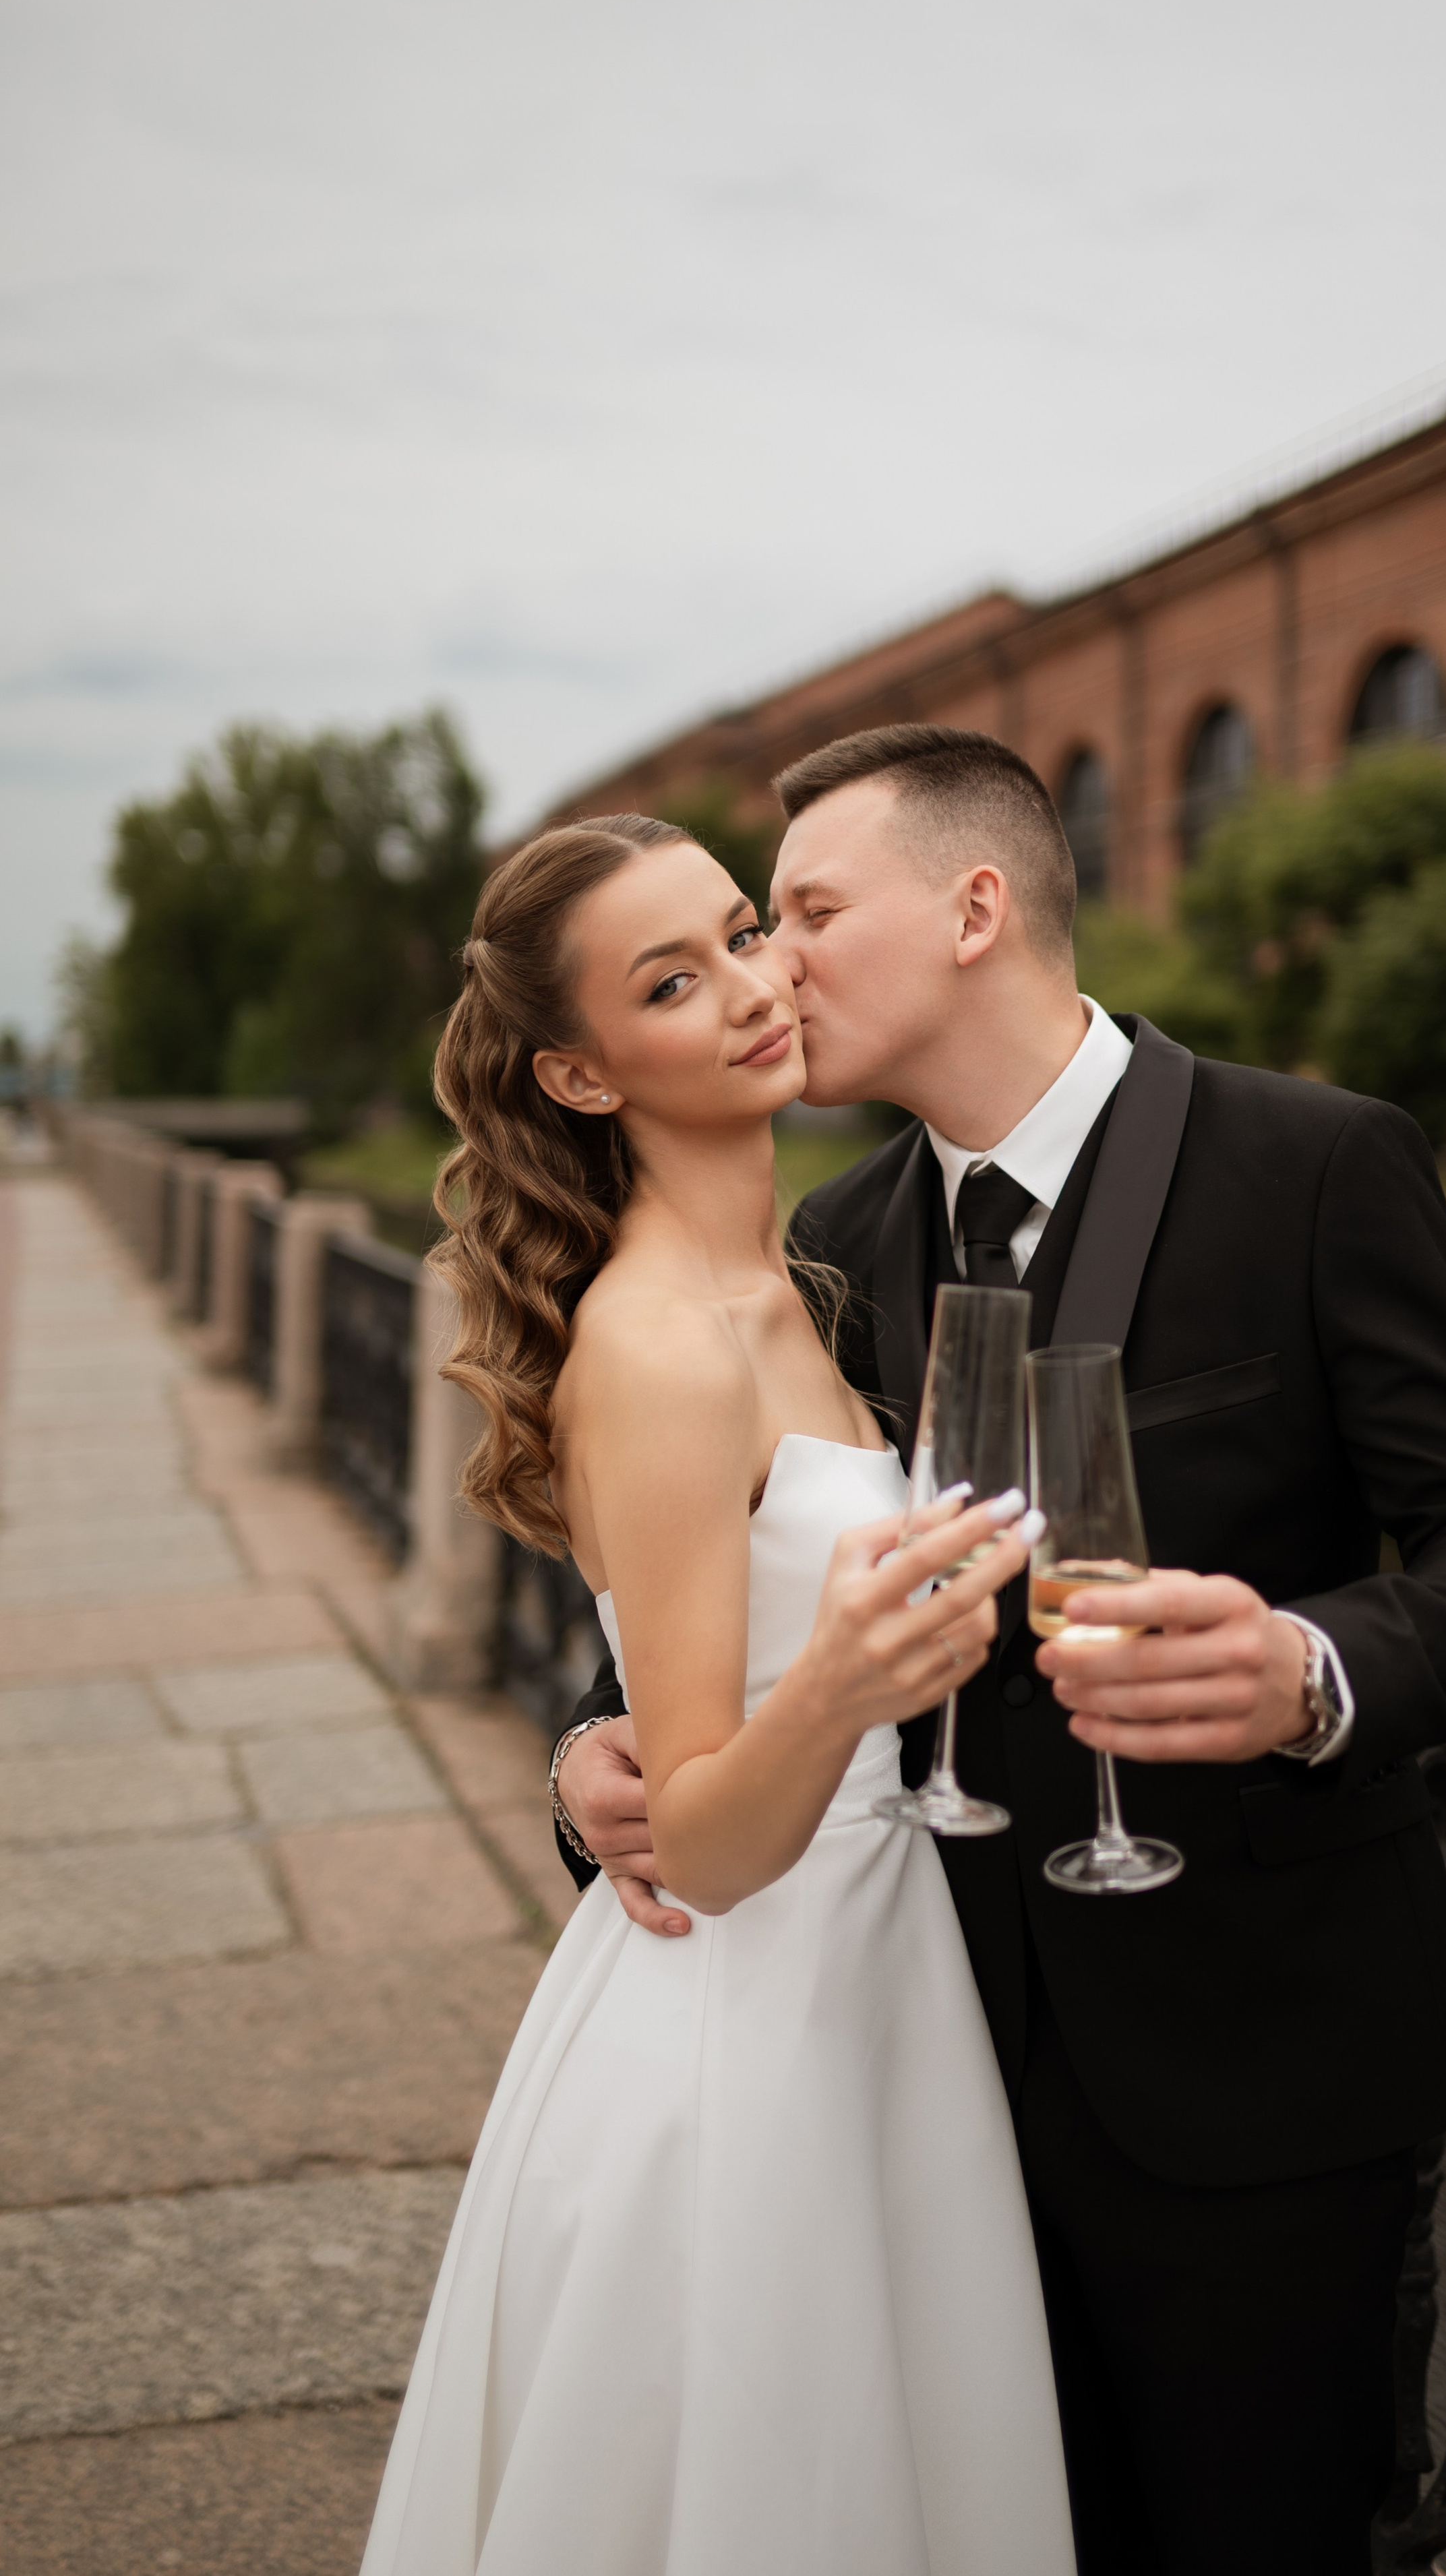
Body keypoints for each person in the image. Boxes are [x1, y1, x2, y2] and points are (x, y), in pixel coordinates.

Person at [553, 726, 1446, 2576]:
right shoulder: (836, 1239)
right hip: (917, 2083)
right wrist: (589, 1747)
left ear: (974, 907)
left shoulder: (1318, 1163)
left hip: (1261, 2093)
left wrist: (1311, 1671)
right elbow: (746, 1552)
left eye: (801, 914)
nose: (770, 967)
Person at [361, 814, 1077, 2575]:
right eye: (674, 980)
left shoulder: (799, 1280)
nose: (754, 987)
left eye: (746, 933)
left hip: (877, 1963)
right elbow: (698, 1828)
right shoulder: (666, 1340)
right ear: (582, 1072)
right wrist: (845, 1683)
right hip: (745, 2018)